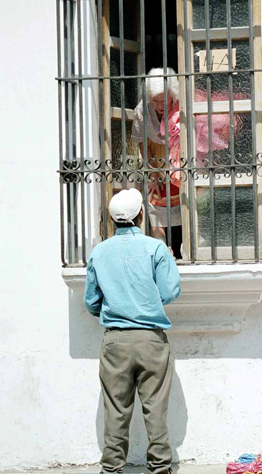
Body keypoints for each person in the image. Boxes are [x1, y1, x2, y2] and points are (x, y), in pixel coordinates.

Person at [84, 188, 181, 474]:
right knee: (156, 410)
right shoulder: (156, 248)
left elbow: (91, 302)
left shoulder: (99, 252)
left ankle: (112, 469)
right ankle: (160, 468)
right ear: (141, 215)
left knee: (115, 410)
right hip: (151, 339)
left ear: (113, 219)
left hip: (115, 341)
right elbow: (170, 291)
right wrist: (147, 301)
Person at [131, 68, 182, 257]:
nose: (160, 105)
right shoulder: (142, 110)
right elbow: (143, 142)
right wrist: (152, 172)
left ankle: (186, 248)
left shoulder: (181, 106)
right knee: (154, 204)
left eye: (163, 100)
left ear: (172, 95)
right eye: (155, 101)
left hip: (181, 163)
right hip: (157, 163)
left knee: (186, 207)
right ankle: (161, 249)